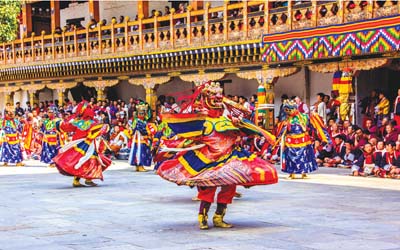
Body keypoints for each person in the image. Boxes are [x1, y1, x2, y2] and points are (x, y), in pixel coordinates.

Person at [157, 81, 278, 230]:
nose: (218, 97)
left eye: (219, 94)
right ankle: (203, 216)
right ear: (206, 97)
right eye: (213, 95)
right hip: (209, 159)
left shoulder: (227, 119)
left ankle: (219, 217)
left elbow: (245, 132)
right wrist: (172, 146)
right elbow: (188, 138)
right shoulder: (202, 121)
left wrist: (243, 127)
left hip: (230, 158)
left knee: (230, 187)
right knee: (208, 189)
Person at [53, 101, 112, 187]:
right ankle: (79, 180)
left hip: (80, 144)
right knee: (87, 161)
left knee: (83, 161)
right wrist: (105, 126)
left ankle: (88, 179)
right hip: (86, 144)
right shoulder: (91, 123)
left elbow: (66, 127)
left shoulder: (77, 122)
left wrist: (60, 123)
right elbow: (99, 130)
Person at [277, 99, 331, 178]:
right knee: (290, 157)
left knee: (304, 156)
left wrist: (322, 137)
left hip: (302, 140)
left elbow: (313, 127)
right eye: (287, 110)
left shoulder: (304, 117)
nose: (288, 112)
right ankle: (292, 172)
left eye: (289, 110)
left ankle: (304, 172)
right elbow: (283, 130)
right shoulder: (287, 119)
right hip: (290, 141)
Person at [128, 102, 154, 172]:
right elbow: (141, 129)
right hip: (140, 139)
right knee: (140, 151)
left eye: (143, 113)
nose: (141, 115)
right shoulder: (137, 121)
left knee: (140, 151)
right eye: (140, 113)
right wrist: (148, 133)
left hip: (141, 139)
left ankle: (139, 166)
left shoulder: (144, 121)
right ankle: (139, 165)